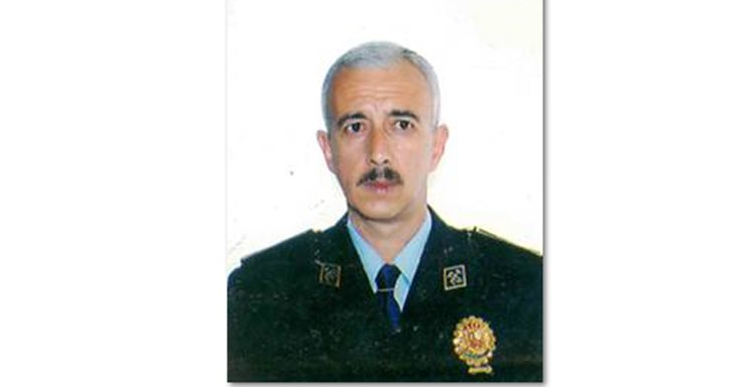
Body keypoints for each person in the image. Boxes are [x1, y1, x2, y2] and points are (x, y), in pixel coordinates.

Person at [227, 41, 542, 381]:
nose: (378, 153)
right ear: (328, 150)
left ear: (436, 146)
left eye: (402, 124)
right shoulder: (262, 293)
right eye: (355, 127)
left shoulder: (523, 287)